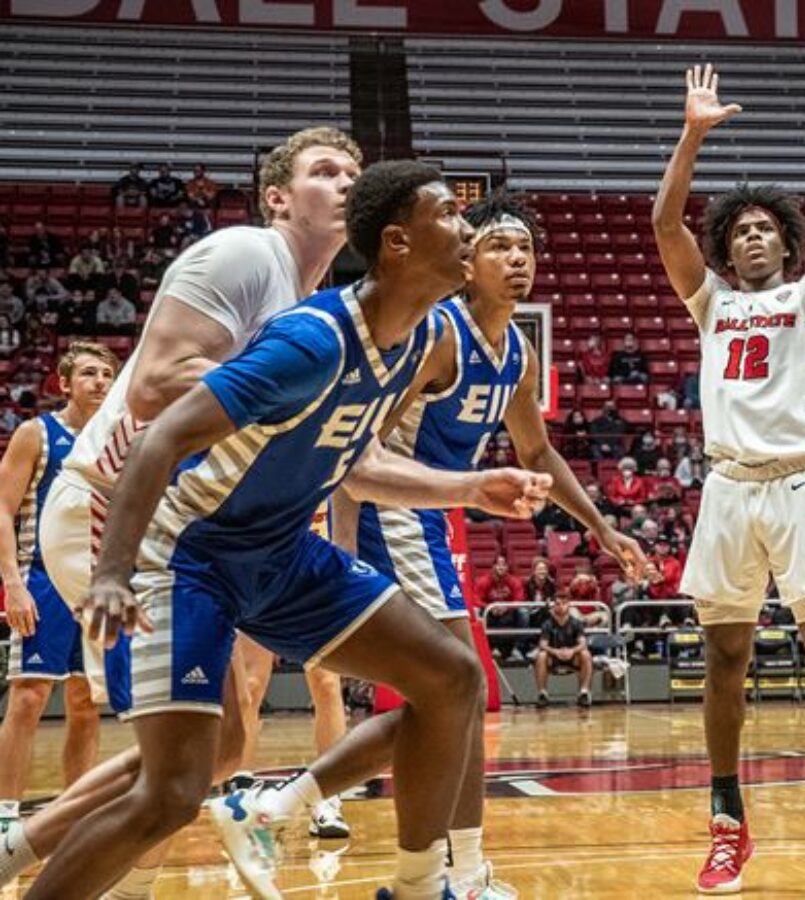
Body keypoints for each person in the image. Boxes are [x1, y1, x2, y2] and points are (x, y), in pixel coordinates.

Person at [28, 162, 555, 900]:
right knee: (173, 790)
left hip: (282, 550)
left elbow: (356, 460)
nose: (468, 229)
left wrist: (471, 487)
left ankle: (417, 887)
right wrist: (113, 572)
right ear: (398, 242)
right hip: (192, 554)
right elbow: (160, 437)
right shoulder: (310, 340)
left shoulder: (422, 336)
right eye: (450, 216)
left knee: (452, 676)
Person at [1, 127, 365, 899]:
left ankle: (17, 846)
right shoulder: (244, 254)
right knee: (178, 766)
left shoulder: (310, 303)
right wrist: (293, 403)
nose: (345, 183)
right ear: (276, 196)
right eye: (324, 171)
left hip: (169, 528)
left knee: (225, 743)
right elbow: (158, 383)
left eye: (354, 173)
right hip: (112, 507)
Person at [278, 191, 643, 898]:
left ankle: (298, 807)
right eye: (500, 248)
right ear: (467, 264)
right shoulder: (438, 334)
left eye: (525, 249)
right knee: (458, 692)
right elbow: (361, 442)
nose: (517, 260)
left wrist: (602, 527)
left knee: (449, 702)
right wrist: (346, 547)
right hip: (397, 514)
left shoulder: (519, 352)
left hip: (439, 522)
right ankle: (453, 870)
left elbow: (536, 450)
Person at [652, 62, 805, 897]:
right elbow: (662, 224)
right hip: (727, 488)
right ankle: (727, 822)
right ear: (727, 246)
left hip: (800, 484)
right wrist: (692, 134)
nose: (753, 237)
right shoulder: (712, 303)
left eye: (766, 229)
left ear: (787, 243)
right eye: (741, 230)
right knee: (724, 658)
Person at [0, 345, 121, 829]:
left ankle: (74, 813)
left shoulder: (119, 439)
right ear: (63, 384)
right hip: (42, 578)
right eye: (88, 373)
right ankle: (7, 813)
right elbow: (4, 509)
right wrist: (12, 583)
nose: (99, 381)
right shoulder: (37, 433)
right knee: (29, 696)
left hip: (97, 585)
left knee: (86, 702)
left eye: (108, 374)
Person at [534, 594, 594, 708]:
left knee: (585, 654)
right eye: (557, 604)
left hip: (572, 657)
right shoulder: (547, 624)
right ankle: (542, 694)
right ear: (553, 606)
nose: (560, 606)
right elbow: (542, 644)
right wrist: (555, 651)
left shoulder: (576, 623)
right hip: (554, 657)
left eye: (564, 604)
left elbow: (583, 643)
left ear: (569, 606)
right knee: (541, 655)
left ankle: (584, 693)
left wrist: (572, 651)